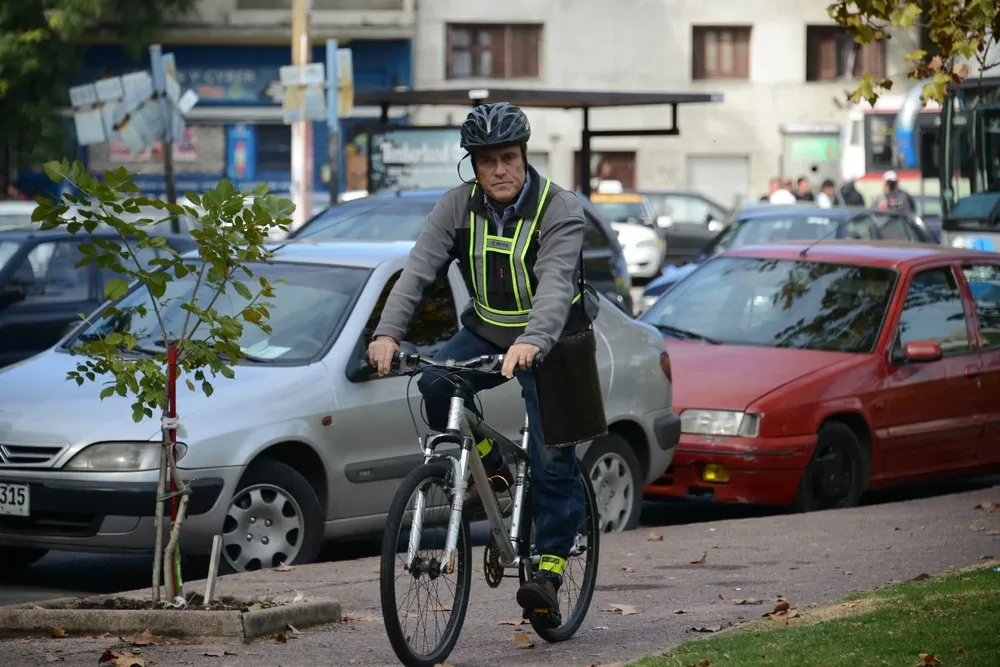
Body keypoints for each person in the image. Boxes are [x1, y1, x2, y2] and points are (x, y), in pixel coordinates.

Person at [367, 102, 594, 625]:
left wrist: (534, 341)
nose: (499, 170)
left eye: (509, 157)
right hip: (487, 328)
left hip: (557, 339)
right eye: (487, 160)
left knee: (552, 456)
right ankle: (491, 468)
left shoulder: (559, 209)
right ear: (472, 165)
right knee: (434, 383)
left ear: (524, 156)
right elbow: (417, 271)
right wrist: (386, 332)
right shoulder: (455, 206)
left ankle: (550, 571)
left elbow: (557, 284)